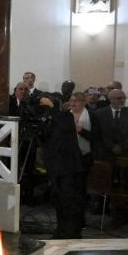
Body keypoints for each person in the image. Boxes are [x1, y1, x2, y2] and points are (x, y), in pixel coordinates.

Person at [38, 95, 86, 239]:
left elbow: (61, 121)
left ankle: (71, 231)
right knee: (58, 200)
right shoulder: (51, 120)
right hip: (56, 167)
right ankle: (61, 229)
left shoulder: (66, 117)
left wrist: (51, 107)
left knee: (69, 201)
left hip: (69, 168)